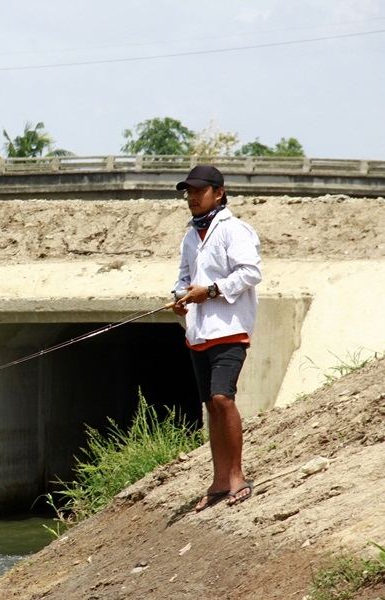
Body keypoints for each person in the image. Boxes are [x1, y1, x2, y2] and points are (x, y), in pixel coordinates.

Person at [172, 165, 261, 511]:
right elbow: (183, 277)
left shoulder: (234, 229)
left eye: (199, 191)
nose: (192, 197)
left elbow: (251, 272)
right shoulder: (190, 235)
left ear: (219, 192)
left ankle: (237, 475)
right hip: (199, 332)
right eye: (188, 192)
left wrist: (209, 291)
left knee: (223, 397)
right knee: (210, 406)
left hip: (230, 329)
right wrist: (180, 296)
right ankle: (220, 479)